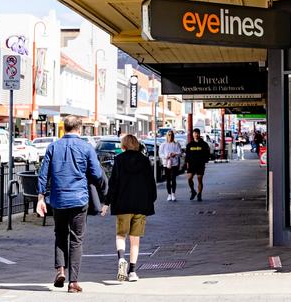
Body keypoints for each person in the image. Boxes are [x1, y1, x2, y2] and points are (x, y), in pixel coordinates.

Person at [37, 115, 104, 293]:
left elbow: (43, 174)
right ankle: (73, 282)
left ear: (64, 128)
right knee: (76, 240)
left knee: (60, 234)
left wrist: (41, 197)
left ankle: (60, 270)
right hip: (79, 199)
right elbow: (97, 174)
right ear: (79, 129)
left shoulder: (53, 147)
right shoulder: (86, 148)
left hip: (58, 200)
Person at [101, 134, 156, 282]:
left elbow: (113, 184)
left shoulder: (119, 160)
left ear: (124, 145)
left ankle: (121, 259)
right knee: (135, 239)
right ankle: (132, 272)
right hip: (140, 205)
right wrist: (151, 199)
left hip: (123, 204)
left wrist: (106, 203)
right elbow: (151, 183)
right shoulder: (145, 161)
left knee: (120, 235)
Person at [185, 128, 210, 201]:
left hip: (200, 164)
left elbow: (207, 154)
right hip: (192, 164)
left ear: (199, 134)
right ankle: (193, 191)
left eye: (197, 133)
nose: (196, 135)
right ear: (193, 134)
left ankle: (199, 194)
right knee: (189, 178)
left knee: (199, 179)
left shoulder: (204, 144)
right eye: (194, 133)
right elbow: (187, 155)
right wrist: (187, 164)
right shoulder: (189, 144)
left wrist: (204, 161)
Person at [159, 130, 182, 201]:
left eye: (171, 135)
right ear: (166, 136)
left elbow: (180, 152)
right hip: (166, 164)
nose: (170, 136)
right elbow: (160, 154)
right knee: (168, 180)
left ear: (173, 136)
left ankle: (173, 194)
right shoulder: (163, 144)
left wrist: (175, 154)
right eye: (169, 135)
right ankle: (169, 194)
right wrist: (166, 156)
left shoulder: (176, 144)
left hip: (174, 164)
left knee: (173, 179)